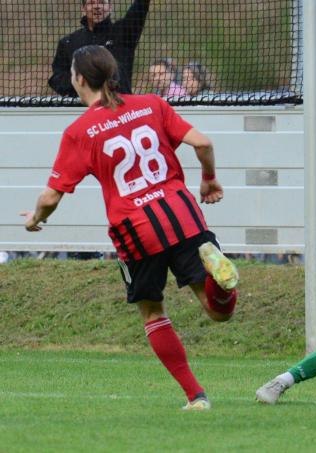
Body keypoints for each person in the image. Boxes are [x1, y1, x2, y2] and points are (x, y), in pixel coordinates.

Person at [23, 45, 239, 411]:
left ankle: (196, 396)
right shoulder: (153, 104)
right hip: (183, 216)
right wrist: (209, 180)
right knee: (220, 313)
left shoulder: (80, 131)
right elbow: (203, 143)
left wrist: (34, 220)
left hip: (135, 231)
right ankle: (222, 282)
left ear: (78, 79)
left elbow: (50, 198)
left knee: (152, 311)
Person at [49, 0, 150, 97]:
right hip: (80, 108)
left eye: (102, 2)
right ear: (83, 9)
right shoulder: (68, 42)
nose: (97, 6)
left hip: (118, 106)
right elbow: (57, 79)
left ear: (110, 7)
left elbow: (140, 6)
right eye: (91, 3)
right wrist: (86, 81)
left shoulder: (124, 32)